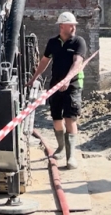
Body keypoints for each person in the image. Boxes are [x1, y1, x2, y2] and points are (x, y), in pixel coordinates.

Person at [28, 11, 88, 169]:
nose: (74, 28)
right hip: (55, 84)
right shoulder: (52, 42)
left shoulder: (78, 42)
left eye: (74, 25)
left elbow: (77, 62)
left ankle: (71, 157)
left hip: (73, 84)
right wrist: (34, 78)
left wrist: (67, 79)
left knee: (70, 118)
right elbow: (44, 61)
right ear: (62, 26)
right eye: (71, 25)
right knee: (56, 119)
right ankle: (61, 147)